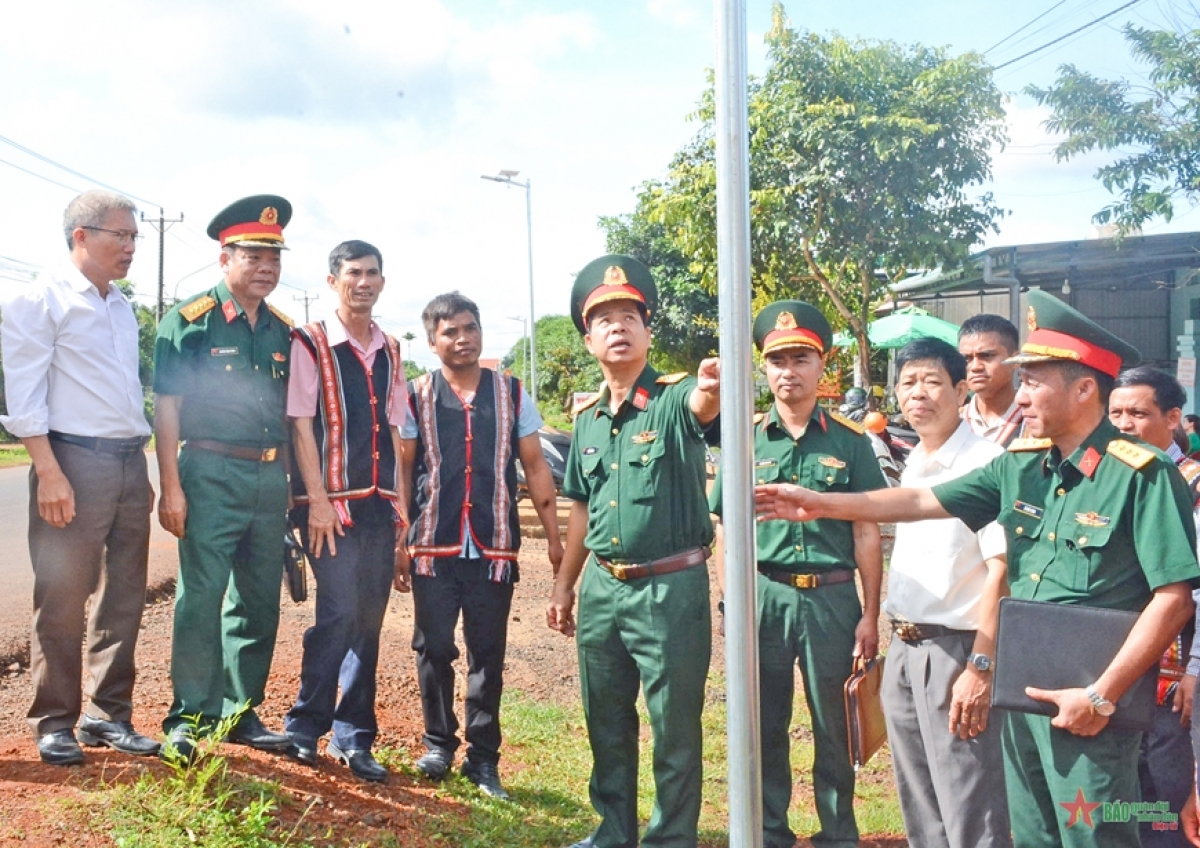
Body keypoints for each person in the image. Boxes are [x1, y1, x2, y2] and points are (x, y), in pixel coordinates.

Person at [756, 289, 1200, 848]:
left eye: (1035, 379)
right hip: (1024, 695)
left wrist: (1102, 695)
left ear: (1085, 388)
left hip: (1091, 707)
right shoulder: (1023, 466)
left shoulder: (1142, 475)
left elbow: (1173, 600)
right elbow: (920, 501)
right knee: (1033, 834)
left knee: (1094, 837)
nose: (1021, 393)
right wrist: (820, 503)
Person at [546, 255, 719, 848]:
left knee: (674, 728)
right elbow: (580, 509)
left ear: (648, 332)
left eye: (630, 316)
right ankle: (612, 833)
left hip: (670, 589)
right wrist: (565, 584)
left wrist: (712, 386)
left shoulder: (672, 400)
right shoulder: (588, 420)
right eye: (604, 319)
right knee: (606, 722)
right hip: (602, 588)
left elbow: (703, 405)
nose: (618, 327)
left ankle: (672, 838)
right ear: (588, 339)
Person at [710, 300, 883, 848]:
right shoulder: (745, 440)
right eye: (777, 359)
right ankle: (769, 831)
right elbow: (724, 528)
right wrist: (728, 600)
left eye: (801, 358)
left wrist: (871, 613)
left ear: (822, 364)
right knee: (763, 724)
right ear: (764, 368)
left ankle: (838, 833)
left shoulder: (852, 442)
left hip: (832, 602)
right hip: (764, 596)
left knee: (835, 725)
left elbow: (866, 530)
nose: (789, 370)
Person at [0, 190, 159, 765]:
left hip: (126, 460)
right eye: (121, 235)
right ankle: (54, 720)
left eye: (135, 237)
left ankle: (108, 715)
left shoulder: (118, 304)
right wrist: (48, 471)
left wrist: (140, 467)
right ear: (81, 236)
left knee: (123, 592)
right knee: (63, 595)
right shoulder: (39, 298)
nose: (131, 247)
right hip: (72, 459)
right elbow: (25, 392)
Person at [401, 291, 563, 800]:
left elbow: (536, 466)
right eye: (450, 331)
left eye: (469, 328)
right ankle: (437, 744)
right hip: (434, 542)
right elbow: (403, 470)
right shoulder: (416, 395)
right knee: (433, 648)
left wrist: (555, 540)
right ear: (432, 341)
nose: (462, 338)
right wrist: (399, 540)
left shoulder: (512, 393)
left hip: (492, 548)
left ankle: (483, 759)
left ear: (480, 333)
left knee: (487, 653)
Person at [153, 195, 295, 759]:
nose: (265, 268)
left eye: (274, 259)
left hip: (268, 476)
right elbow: (166, 408)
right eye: (253, 256)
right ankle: (189, 716)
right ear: (224, 259)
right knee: (201, 597)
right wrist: (172, 486)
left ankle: (240, 711)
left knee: (259, 600)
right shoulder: (189, 322)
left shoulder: (283, 331)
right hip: (208, 470)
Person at [282, 240, 408, 783]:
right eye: (353, 272)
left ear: (382, 281)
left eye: (372, 273)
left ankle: (353, 737)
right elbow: (300, 424)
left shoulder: (392, 349)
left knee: (368, 620)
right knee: (335, 614)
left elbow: (398, 433)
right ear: (333, 280)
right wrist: (316, 502)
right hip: (330, 509)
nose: (364, 281)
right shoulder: (310, 342)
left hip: (379, 506)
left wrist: (403, 512)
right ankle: (305, 726)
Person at [882, 337, 1011, 848]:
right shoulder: (913, 461)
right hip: (905, 648)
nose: (920, 394)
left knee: (970, 804)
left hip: (958, 652)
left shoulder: (986, 461)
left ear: (961, 390)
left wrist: (981, 666)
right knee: (920, 801)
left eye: (933, 381)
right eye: (909, 382)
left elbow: (1001, 570)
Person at [1109, 366, 1200, 847]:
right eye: (1116, 412)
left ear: (1172, 419)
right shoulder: (1106, 478)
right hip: (1114, 668)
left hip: (1172, 676)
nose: (1124, 424)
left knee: (1169, 797)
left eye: (1138, 413)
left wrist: (1195, 668)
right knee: (1119, 796)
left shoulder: (1193, 482)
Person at [958, 313, 1025, 446]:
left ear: (1015, 361)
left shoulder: (1035, 421)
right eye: (967, 359)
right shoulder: (953, 423)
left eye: (987, 356)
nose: (975, 367)